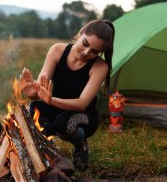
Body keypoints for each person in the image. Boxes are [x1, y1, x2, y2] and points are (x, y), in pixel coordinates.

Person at [19, 19, 115, 171]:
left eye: (94, 51)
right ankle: (46, 146)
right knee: (32, 109)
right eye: (85, 43)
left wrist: (50, 100)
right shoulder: (57, 50)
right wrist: (33, 94)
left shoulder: (100, 66)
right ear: (80, 33)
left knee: (63, 125)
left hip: (83, 114)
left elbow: (82, 103)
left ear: (101, 52)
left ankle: (81, 146)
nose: (86, 52)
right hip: (55, 106)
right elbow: (41, 90)